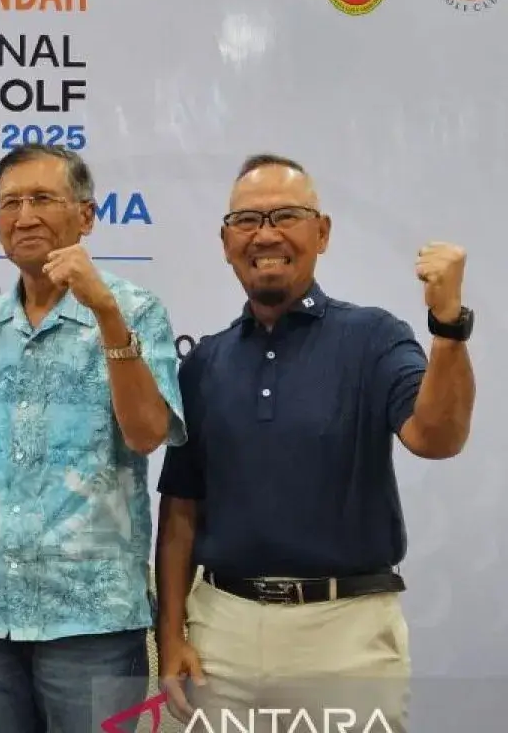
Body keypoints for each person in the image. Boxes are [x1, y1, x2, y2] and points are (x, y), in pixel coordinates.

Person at [155, 154, 476, 733]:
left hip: (344, 636)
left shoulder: (374, 337)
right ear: (226, 242)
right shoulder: (203, 362)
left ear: (322, 233)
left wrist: (448, 327)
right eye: (247, 220)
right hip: (220, 636)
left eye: (286, 216)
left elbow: (437, 438)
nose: (266, 235)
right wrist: (171, 634)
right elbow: (180, 512)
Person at [0, 143, 187, 731]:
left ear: (86, 216)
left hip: (92, 624)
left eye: (43, 199)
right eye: (9, 203)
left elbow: (147, 434)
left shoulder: (135, 310)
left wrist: (107, 315)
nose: (24, 217)